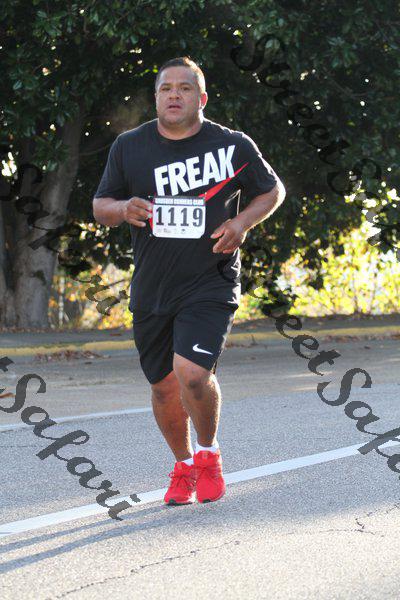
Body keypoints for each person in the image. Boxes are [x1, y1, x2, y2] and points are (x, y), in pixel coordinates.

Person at [93, 56, 286, 506]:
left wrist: (242, 223)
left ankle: (208, 455)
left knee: (193, 375)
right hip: (153, 286)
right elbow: (101, 205)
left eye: (184, 88)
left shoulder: (232, 145)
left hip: (211, 280)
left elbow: (271, 190)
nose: (174, 95)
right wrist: (123, 209)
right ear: (156, 98)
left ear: (201, 98)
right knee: (163, 387)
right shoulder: (129, 146)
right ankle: (183, 466)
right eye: (166, 89)